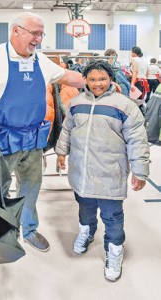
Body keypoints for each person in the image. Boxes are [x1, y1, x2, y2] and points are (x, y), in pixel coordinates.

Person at [0, 12, 86, 281]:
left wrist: (100, 80)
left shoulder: (41, 61)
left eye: (41, 34)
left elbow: (69, 78)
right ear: (15, 31)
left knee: (30, 190)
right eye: (34, 33)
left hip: (32, 141)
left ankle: (28, 230)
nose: (39, 39)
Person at [55, 60, 150, 282]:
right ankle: (86, 234)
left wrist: (140, 171)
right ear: (85, 80)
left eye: (103, 79)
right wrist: (61, 151)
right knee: (85, 210)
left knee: (112, 216)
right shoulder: (77, 102)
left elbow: (137, 140)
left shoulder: (124, 105)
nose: (98, 84)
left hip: (110, 174)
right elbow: (67, 129)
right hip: (82, 173)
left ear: (111, 79)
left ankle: (115, 250)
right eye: (93, 79)